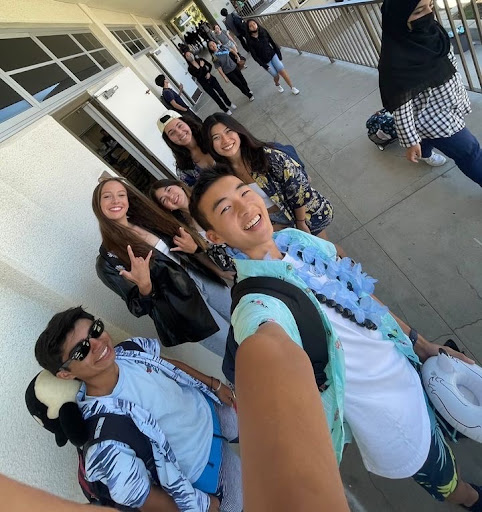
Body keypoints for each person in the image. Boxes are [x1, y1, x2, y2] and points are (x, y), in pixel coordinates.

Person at [189, 166, 482, 511]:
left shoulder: (295, 241)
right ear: (215, 237)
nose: (244, 207)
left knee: (465, 419)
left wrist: (421, 343)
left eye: (243, 192)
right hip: (387, 413)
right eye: (225, 209)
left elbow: (360, 296)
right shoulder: (255, 303)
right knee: (446, 477)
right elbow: (264, 345)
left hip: (410, 363)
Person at [34, 307, 242, 512]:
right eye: (82, 350)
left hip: (212, 410)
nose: (98, 344)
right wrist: (202, 507)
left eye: (95, 330)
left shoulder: (128, 352)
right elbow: (144, 497)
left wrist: (213, 384)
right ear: (66, 374)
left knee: (267, 437)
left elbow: (166, 365)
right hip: (207, 468)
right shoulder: (104, 437)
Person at [92, 177, 231, 357]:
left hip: (200, 277)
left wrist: (192, 248)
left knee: (249, 317)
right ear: (98, 205)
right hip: (184, 306)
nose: (116, 200)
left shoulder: (146, 221)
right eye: (107, 197)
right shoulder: (107, 261)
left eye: (121, 195)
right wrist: (144, 286)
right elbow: (137, 307)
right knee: (234, 347)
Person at [378, 0, 482, 184]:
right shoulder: (396, 60)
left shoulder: (433, 34)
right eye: (419, 11)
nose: (428, 14)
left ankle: (424, 153)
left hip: (449, 107)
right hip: (435, 121)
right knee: (470, 151)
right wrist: (410, 142)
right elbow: (400, 107)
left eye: (431, 6)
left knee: (424, 139)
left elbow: (450, 65)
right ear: (399, 18)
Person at [203, 113, 334, 237]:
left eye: (228, 131)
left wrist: (300, 222)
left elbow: (299, 191)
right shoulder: (223, 177)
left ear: (238, 132)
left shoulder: (268, 157)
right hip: (270, 224)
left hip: (302, 214)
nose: (225, 140)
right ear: (211, 145)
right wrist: (270, 226)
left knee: (326, 252)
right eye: (216, 137)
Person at [150, 178, 236, 279]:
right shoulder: (183, 228)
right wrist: (221, 273)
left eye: (169, 189)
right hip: (233, 269)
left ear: (179, 185)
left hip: (250, 250)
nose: (170, 196)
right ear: (168, 208)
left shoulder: (207, 197)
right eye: (164, 200)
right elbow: (199, 254)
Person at [160, 110, 216, 186]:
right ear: (169, 140)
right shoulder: (183, 169)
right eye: (172, 133)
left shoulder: (211, 136)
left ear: (187, 123)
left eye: (180, 125)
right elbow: (197, 194)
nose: (179, 133)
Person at [246, 19, 299, 95]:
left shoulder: (263, 31)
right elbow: (254, 56)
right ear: (248, 29)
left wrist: (278, 53)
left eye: (254, 24)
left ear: (257, 24)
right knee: (275, 75)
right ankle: (277, 84)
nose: (253, 26)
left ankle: (292, 87)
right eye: (250, 26)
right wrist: (263, 65)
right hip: (264, 61)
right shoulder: (249, 40)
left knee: (281, 70)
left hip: (272, 54)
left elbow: (272, 42)